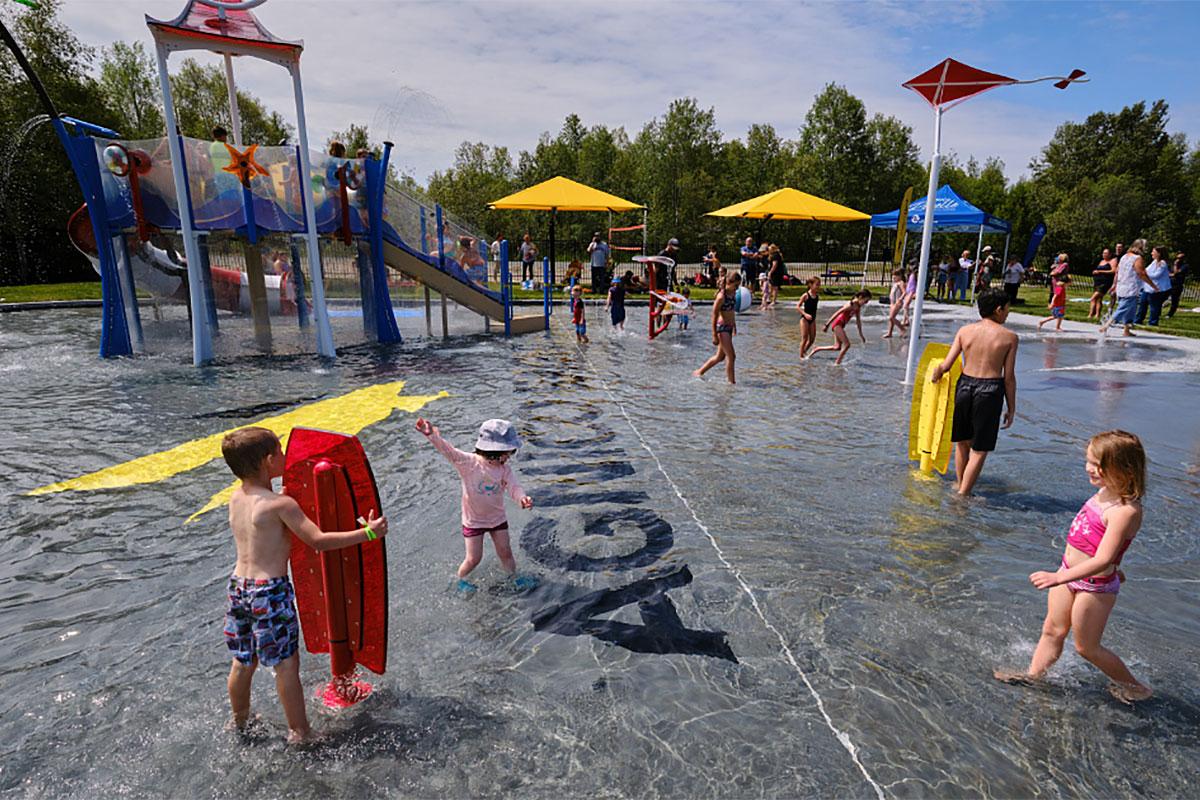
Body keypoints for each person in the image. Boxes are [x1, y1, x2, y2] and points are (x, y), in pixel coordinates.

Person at [219, 427, 389, 743]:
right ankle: (301, 732)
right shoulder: (279, 505)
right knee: (286, 665)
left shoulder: (236, 499)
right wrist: (368, 534)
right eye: (281, 452)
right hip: (270, 591)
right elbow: (318, 541)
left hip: (238, 587)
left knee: (244, 660)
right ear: (269, 461)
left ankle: (239, 721)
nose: (286, 456)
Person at [994, 430, 1152, 704]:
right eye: (1088, 461)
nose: (1089, 468)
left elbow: (1102, 558)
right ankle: (1033, 676)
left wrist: (1059, 577)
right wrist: (1067, 574)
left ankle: (1137, 688)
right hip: (1069, 572)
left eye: (1097, 464)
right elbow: (1100, 545)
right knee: (1052, 630)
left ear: (1124, 469)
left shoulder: (1125, 511)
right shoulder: (1104, 492)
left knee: (1086, 647)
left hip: (1095, 587)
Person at [415, 417, 535, 593]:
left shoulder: (504, 470)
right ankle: (460, 580)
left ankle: (513, 578)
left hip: (497, 519)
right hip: (474, 521)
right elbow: (449, 451)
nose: (510, 456)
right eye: (508, 452)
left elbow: (514, 487)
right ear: (495, 451)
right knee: (473, 559)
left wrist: (522, 498)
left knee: (506, 552)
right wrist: (432, 435)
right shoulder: (469, 463)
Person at [930, 287, 1018, 496]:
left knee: (962, 442)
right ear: (998, 309)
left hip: (965, 387)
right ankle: (964, 495)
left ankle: (959, 484)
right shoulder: (1009, 337)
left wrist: (936, 374)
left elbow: (947, 364)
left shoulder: (965, 331)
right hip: (989, 390)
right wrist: (1011, 407)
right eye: (1007, 309)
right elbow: (1009, 378)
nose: (1007, 313)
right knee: (980, 448)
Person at [693, 271, 741, 384]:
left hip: (728, 327)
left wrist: (734, 325)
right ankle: (731, 383)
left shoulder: (733, 294)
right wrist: (714, 334)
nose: (737, 288)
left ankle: (699, 372)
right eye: (736, 285)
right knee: (732, 356)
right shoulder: (721, 297)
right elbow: (714, 314)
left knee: (720, 357)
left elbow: (731, 311)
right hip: (722, 328)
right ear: (729, 283)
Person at [1101, 239, 1154, 337]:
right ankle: (1107, 325)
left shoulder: (1124, 256)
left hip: (1122, 286)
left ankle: (1127, 330)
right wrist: (1152, 285)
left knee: (1131, 310)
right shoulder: (1137, 258)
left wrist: (1115, 285)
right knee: (1123, 308)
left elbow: (1117, 272)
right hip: (1131, 287)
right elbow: (1141, 273)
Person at [809, 290, 871, 365]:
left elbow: (858, 321)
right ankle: (837, 363)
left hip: (841, 325)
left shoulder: (858, 307)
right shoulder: (851, 304)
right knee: (847, 345)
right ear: (861, 297)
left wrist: (861, 335)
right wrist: (827, 325)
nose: (866, 303)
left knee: (837, 347)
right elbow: (838, 312)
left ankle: (817, 349)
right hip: (837, 324)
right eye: (866, 301)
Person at [1135, 246, 1172, 326]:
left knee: (1154, 307)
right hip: (1148, 288)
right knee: (1142, 304)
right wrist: (1143, 271)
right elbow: (1147, 270)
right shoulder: (1154, 262)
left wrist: (1144, 273)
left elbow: (1156, 275)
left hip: (1157, 289)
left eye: (1153, 252)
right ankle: (1138, 320)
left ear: (1159, 253)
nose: (1152, 253)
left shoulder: (1163, 263)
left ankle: (1153, 322)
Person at [1089, 248, 1116, 320]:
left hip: (1105, 282)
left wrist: (1100, 271)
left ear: (1110, 254)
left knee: (1093, 298)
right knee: (1098, 299)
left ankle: (1090, 314)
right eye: (1103, 253)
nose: (1104, 255)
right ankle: (1097, 315)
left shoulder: (1112, 261)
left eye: (1106, 253)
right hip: (1097, 281)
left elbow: (1113, 271)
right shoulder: (1101, 261)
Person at [797, 276, 820, 358]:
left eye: (819, 284)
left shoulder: (817, 296)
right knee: (805, 338)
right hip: (804, 319)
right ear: (810, 285)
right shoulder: (806, 295)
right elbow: (798, 306)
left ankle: (804, 352)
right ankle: (801, 357)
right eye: (817, 284)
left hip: (812, 319)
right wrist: (805, 314)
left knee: (812, 339)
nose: (818, 286)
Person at [883, 269, 908, 339]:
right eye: (892, 277)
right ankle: (890, 333)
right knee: (891, 319)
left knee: (892, 317)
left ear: (899, 276)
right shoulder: (895, 283)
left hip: (897, 303)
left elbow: (904, 292)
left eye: (895, 277)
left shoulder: (901, 283)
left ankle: (903, 329)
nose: (893, 279)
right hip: (892, 303)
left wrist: (900, 298)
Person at [764, 244, 786, 308]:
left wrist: (770, 272)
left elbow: (775, 265)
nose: (768, 250)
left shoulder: (775, 255)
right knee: (771, 286)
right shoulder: (773, 255)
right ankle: (770, 299)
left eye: (770, 249)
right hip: (776, 273)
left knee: (775, 286)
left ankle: (773, 300)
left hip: (776, 273)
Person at [1167, 251, 1188, 318]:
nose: (1178, 259)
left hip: (1177, 285)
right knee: (1161, 297)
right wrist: (1172, 274)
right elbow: (1168, 274)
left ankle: (1170, 314)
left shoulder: (1185, 266)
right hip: (1169, 283)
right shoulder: (1171, 265)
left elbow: (1175, 273)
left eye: (1180, 258)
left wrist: (1176, 265)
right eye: (1178, 257)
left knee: (1174, 300)